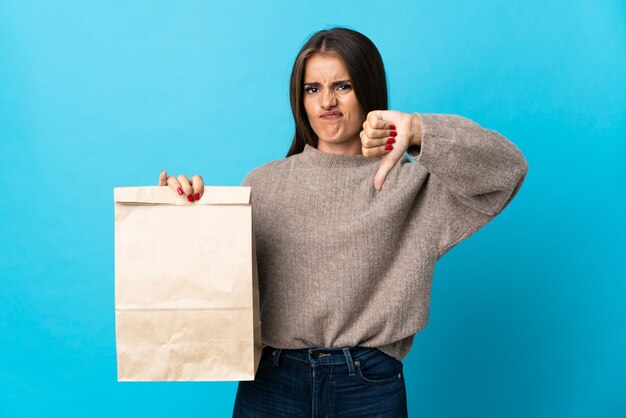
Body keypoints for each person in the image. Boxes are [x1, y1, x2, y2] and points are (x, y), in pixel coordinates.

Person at [158, 27, 528, 418]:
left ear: (368, 89)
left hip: (368, 387)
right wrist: (181, 214)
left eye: (343, 86)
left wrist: (419, 130)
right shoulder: (263, 184)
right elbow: (211, 287)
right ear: (299, 99)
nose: (327, 102)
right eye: (313, 89)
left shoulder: (414, 185)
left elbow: (508, 170)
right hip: (272, 382)